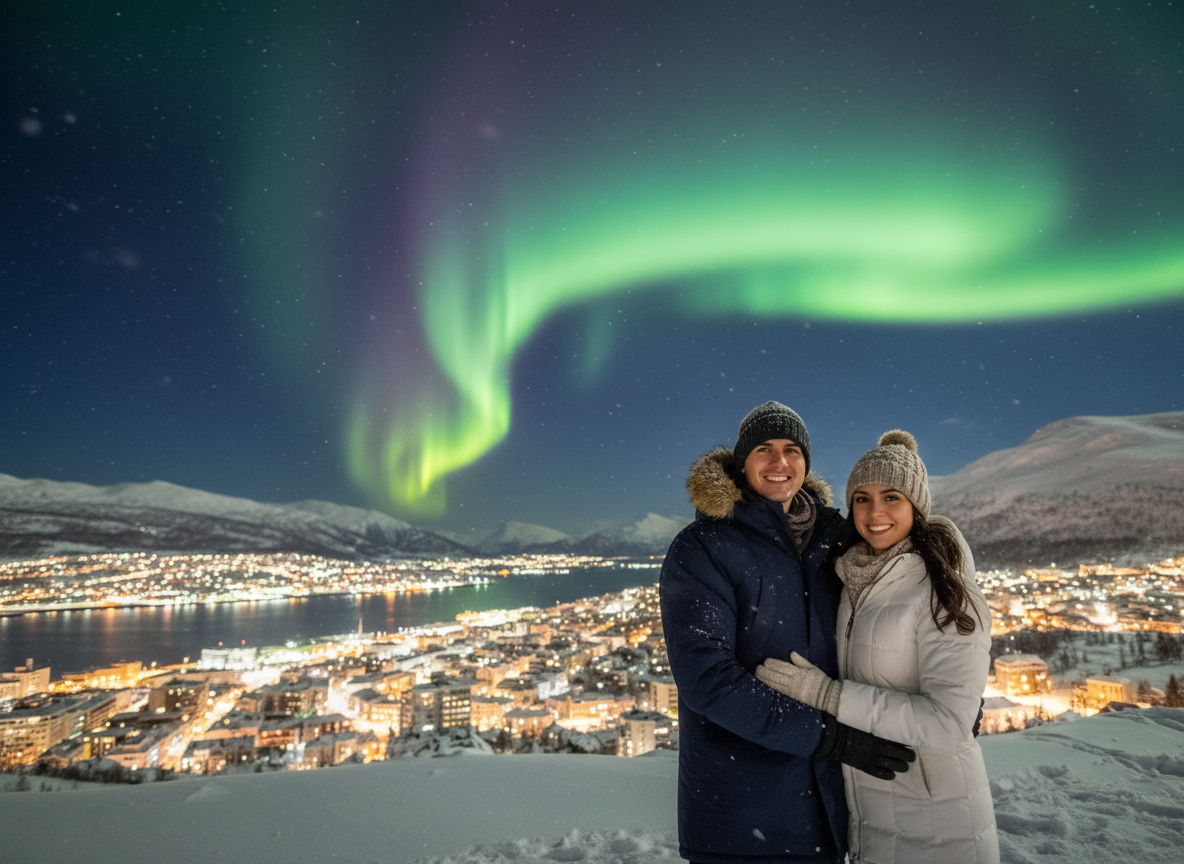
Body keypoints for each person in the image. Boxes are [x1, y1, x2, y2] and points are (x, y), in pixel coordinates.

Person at [660, 402, 916, 864]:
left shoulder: (835, 537)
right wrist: (827, 737)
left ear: (806, 462)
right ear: (742, 462)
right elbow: (708, 680)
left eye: (792, 449)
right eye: (765, 449)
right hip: (741, 814)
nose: (780, 462)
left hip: (834, 808)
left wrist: (948, 688)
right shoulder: (702, 548)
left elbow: (908, 605)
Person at [756, 430, 999, 864]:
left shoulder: (946, 590)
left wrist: (829, 696)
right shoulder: (855, 578)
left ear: (917, 507)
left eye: (892, 497)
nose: (875, 512)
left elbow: (949, 722)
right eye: (862, 499)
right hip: (871, 816)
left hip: (938, 818)